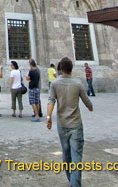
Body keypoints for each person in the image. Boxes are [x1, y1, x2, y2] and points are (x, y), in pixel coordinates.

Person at [47, 56, 93, 187]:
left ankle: (73, 181)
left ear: (61, 69)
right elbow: (86, 100)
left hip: (62, 124)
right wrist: (90, 107)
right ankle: (75, 183)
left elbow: (51, 100)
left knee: (66, 155)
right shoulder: (77, 83)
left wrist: (48, 117)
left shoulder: (55, 83)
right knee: (77, 156)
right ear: (71, 68)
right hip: (75, 124)